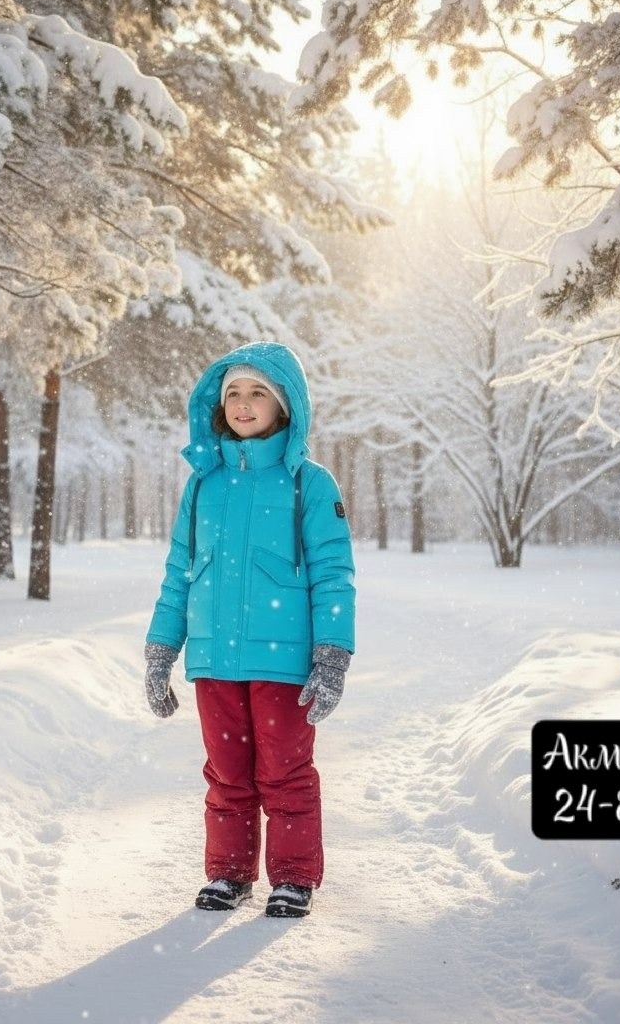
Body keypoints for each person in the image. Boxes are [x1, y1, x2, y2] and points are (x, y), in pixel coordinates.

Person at [143, 341, 356, 919]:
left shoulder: (309, 484)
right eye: (233, 392)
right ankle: (229, 875)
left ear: (284, 405)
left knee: (285, 772)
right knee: (227, 774)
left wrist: (331, 656)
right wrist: (161, 650)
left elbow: (335, 574)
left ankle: (292, 878)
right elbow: (179, 572)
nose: (243, 403)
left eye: (258, 391)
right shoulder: (203, 485)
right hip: (214, 659)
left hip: (283, 662)